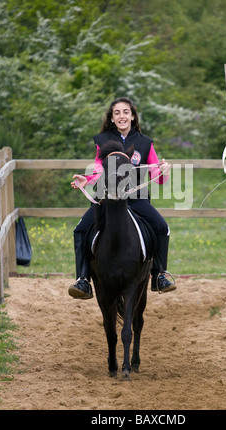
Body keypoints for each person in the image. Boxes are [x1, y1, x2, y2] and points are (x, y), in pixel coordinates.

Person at [68, 97, 176, 300]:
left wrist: (163, 171)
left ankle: (159, 275)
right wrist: (88, 180)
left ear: (133, 116)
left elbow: (156, 178)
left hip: (136, 197)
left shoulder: (145, 143)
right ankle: (83, 280)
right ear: (112, 117)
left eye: (126, 112)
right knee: (80, 230)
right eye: (117, 113)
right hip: (105, 198)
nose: (122, 116)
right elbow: (100, 169)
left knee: (162, 227)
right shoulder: (103, 140)